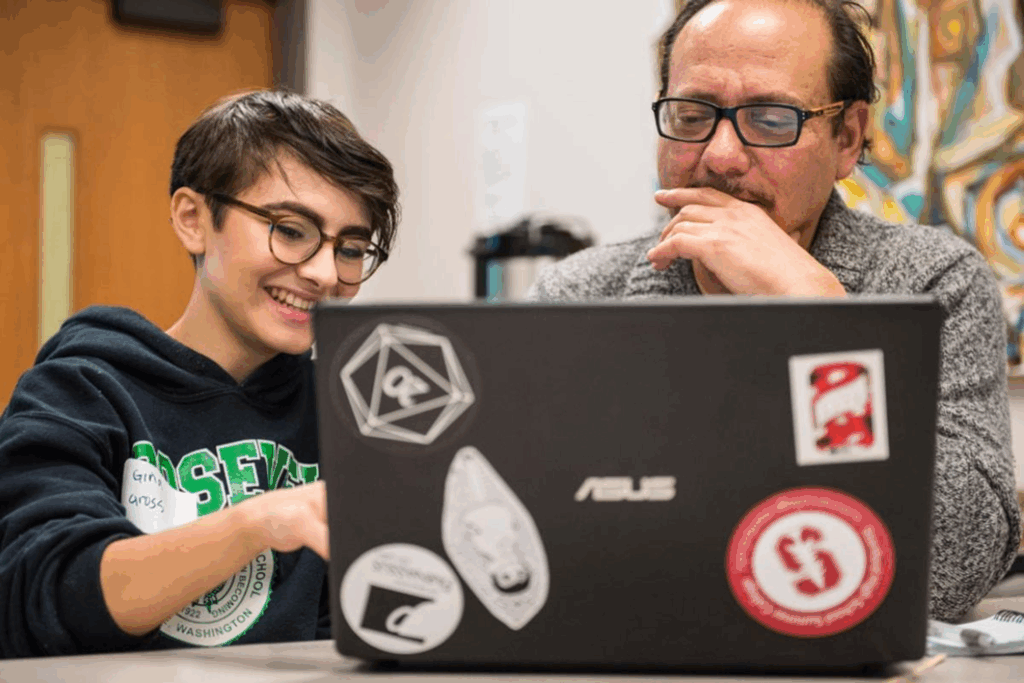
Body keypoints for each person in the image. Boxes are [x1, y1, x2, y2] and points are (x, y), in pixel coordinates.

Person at [529, 0, 1021, 621]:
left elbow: (950, 570)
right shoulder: (577, 298)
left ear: (847, 138)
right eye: (692, 114)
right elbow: (545, 556)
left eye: (769, 118)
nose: (721, 155)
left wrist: (821, 318)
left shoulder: (934, 285)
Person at [0, 90, 399, 657]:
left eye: (352, 248)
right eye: (290, 230)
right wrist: (256, 524)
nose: (323, 273)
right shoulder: (81, 390)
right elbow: (43, 594)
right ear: (193, 219)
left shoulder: (349, 413)